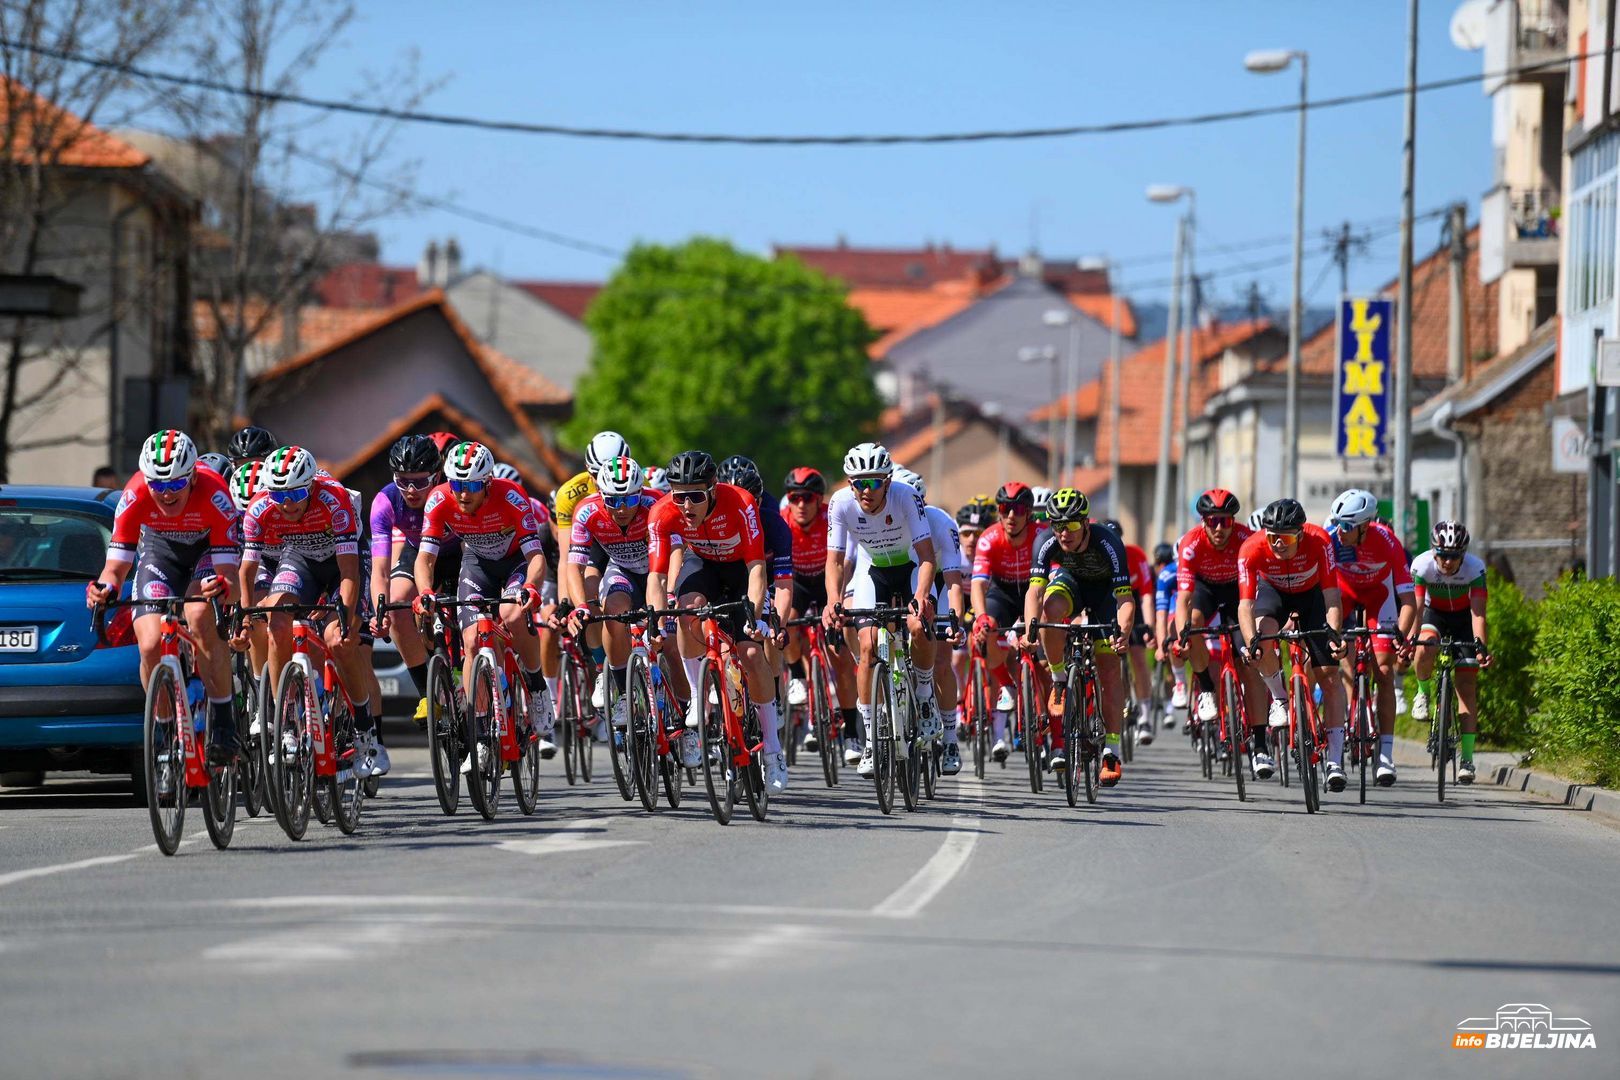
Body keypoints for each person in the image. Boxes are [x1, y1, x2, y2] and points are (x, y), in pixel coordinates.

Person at [87, 430, 239, 767]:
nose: (165, 494)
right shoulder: (135, 493)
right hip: (160, 555)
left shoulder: (215, 493)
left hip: (206, 555)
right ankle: (166, 733)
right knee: (150, 643)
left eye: (174, 485)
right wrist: (106, 589)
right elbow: (117, 566)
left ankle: (224, 720)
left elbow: (229, 571)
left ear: (193, 477)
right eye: (158, 485)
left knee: (199, 615)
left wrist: (223, 588)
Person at [237, 446, 384, 774]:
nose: (287, 504)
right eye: (280, 495)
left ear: (311, 487)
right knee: (275, 622)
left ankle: (364, 730)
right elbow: (247, 571)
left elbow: (348, 573)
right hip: (300, 558)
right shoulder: (261, 507)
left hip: (342, 562)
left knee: (339, 640)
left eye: (297, 494)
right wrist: (247, 614)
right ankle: (284, 723)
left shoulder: (334, 501)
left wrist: (344, 614)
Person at [647, 450, 783, 790]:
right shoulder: (662, 513)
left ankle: (773, 751)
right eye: (680, 496)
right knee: (685, 608)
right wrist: (654, 620)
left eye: (695, 496)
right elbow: (657, 577)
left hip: (740, 571)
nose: (687, 506)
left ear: (713, 489)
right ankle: (697, 696)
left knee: (751, 654)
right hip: (703, 564)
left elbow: (756, 569)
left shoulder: (740, 502)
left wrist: (751, 615)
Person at [413, 441, 554, 770]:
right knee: (473, 640)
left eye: (472, 486)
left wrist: (531, 587)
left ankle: (535, 687)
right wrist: (423, 592)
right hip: (477, 564)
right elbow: (425, 559)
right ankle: (479, 737)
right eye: (457, 485)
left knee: (511, 613)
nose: (463, 494)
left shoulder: (512, 497)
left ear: (487, 483)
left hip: (516, 562)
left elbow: (536, 557)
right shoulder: (439, 500)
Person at [823, 443, 939, 780]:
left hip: (911, 567)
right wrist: (833, 599)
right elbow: (834, 560)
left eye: (873, 483)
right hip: (873, 570)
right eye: (858, 483)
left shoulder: (906, 497)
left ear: (887, 481)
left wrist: (920, 596)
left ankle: (924, 692)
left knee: (917, 626)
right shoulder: (841, 503)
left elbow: (928, 556)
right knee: (867, 646)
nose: (865, 491)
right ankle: (872, 739)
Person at [1237, 498, 1349, 792]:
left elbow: (1332, 598)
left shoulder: (1320, 541)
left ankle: (1335, 761)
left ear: (1300, 534)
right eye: (1272, 538)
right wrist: (1252, 643)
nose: (1278, 544)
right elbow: (1245, 604)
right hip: (1272, 593)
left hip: (1311, 596)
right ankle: (1280, 699)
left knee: (1329, 675)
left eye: (1285, 538)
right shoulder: (1251, 548)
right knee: (1264, 637)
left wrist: (1334, 634)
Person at [1024, 488, 1134, 784]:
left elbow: (1125, 599)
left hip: (1104, 595)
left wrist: (1122, 632)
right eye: (1057, 526)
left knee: (1110, 668)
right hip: (1070, 584)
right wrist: (1030, 628)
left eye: (1071, 525)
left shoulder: (1108, 542)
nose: (1064, 533)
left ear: (1086, 523)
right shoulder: (1045, 542)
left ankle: (1111, 749)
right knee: (1048, 610)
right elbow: (1034, 590)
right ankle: (1060, 679)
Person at [1174, 488, 1273, 774]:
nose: (1219, 528)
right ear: (1203, 521)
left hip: (1236, 593)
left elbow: (1261, 584)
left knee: (1249, 664)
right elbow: (1183, 598)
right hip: (1205, 590)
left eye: (1226, 521)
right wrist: (1182, 634)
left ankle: (1259, 745)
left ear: (1234, 522)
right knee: (1191, 624)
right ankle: (1206, 688)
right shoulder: (1191, 544)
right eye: (1213, 521)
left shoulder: (1246, 538)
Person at [1327, 488, 1417, 786]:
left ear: (1366, 526)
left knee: (1384, 671)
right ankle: (1340, 746)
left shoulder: (1387, 541)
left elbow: (1408, 601)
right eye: (1338, 523)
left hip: (1380, 598)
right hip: (1345, 597)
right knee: (1344, 663)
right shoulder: (1331, 538)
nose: (1340, 531)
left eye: (1347, 526)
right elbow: (1321, 593)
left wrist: (1400, 636)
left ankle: (1386, 756)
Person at [883, 467, 967, 775]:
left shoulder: (940, 522)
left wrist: (954, 619)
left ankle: (949, 737)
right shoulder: (886, 524)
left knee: (942, 659)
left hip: (941, 583)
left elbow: (955, 580)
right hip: (908, 581)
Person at [781, 466, 860, 763]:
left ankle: (852, 733)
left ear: (819, 500)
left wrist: (836, 601)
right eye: (795, 497)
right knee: (785, 622)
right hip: (799, 583)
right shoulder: (782, 522)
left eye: (808, 498)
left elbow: (846, 563)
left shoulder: (833, 517)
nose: (801, 504)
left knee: (838, 658)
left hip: (831, 582)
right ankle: (798, 677)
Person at [368, 434, 447, 728]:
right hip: (418, 553)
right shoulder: (385, 501)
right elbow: (380, 570)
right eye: (403, 481)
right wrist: (380, 610)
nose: (411, 490)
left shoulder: (451, 492)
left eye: (420, 481)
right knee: (398, 605)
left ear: (436, 476)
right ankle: (427, 691)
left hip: (458, 553)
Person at [1409, 521, 1492, 784]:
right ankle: (1422, 694)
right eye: (1443, 555)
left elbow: (1478, 612)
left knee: (1466, 687)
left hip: (1462, 620)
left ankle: (1467, 760)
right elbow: (1418, 607)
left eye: (1454, 556)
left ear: (1463, 554)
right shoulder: (1422, 565)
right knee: (1426, 645)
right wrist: (1411, 639)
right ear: (1434, 552)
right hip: (1435, 614)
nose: (1447, 562)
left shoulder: (1475, 568)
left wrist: (1480, 646)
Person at [970, 481, 1039, 762]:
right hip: (1004, 593)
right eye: (1005, 508)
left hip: (1036, 589)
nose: (1012, 515)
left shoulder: (1041, 536)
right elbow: (978, 585)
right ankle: (1006, 685)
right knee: (984, 633)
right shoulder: (988, 538)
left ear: (1029, 513)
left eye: (1019, 509)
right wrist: (981, 617)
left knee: (1044, 648)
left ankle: (1056, 730)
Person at [1101, 518, 1156, 743]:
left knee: (1138, 657)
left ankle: (1144, 716)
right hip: (1106, 604)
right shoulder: (1094, 557)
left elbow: (1146, 596)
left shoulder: (1136, 556)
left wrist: (1149, 627)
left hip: (1131, 603)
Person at [1151, 541, 1184, 725]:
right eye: (1159, 563)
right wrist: (1161, 640)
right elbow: (1158, 610)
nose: (1161, 567)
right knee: (1169, 651)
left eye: (1165, 562)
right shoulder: (1164, 574)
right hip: (1169, 611)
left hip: (1187, 608)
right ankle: (1170, 703)